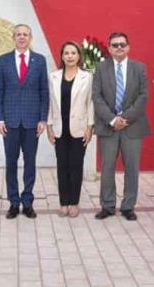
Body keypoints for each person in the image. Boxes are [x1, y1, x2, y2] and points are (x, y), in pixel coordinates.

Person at [92, 31, 149, 221]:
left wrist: (124, 118)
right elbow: (96, 96)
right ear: (109, 48)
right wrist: (112, 120)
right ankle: (107, 206)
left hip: (132, 127)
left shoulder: (139, 68)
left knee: (131, 167)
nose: (118, 48)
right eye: (115, 45)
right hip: (108, 127)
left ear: (128, 47)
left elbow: (143, 96)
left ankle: (128, 206)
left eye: (122, 44)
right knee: (107, 167)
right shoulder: (100, 68)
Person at [0, 23, 49, 219]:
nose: (22, 37)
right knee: (10, 163)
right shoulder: (3, 61)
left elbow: (44, 91)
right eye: (18, 34)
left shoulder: (40, 61)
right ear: (13, 38)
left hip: (32, 121)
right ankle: (13, 202)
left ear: (30, 37)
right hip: (9, 122)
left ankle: (27, 202)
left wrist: (43, 118)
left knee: (30, 163)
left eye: (25, 34)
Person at [46, 41, 94, 217]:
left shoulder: (87, 77)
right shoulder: (54, 76)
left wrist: (90, 127)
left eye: (73, 53)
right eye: (66, 53)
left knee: (76, 166)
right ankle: (63, 202)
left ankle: (74, 202)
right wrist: (49, 126)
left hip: (79, 128)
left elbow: (90, 103)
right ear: (62, 56)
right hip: (60, 128)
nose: (70, 56)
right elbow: (51, 103)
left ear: (79, 56)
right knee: (62, 166)